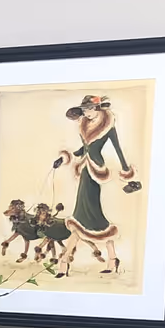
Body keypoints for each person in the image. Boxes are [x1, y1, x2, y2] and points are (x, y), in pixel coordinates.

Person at [51, 95, 137, 275]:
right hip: (84, 171)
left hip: (96, 173)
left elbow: (118, 149)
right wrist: (64, 158)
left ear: (97, 108)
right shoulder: (83, 125)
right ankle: (110, 259)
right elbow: (83, 149)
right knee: (82, 216)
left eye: (89, 109)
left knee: (87, 217)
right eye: (84, 110)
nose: (86, 113)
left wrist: (127, 173)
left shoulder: (108, 125)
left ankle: (65, 261)